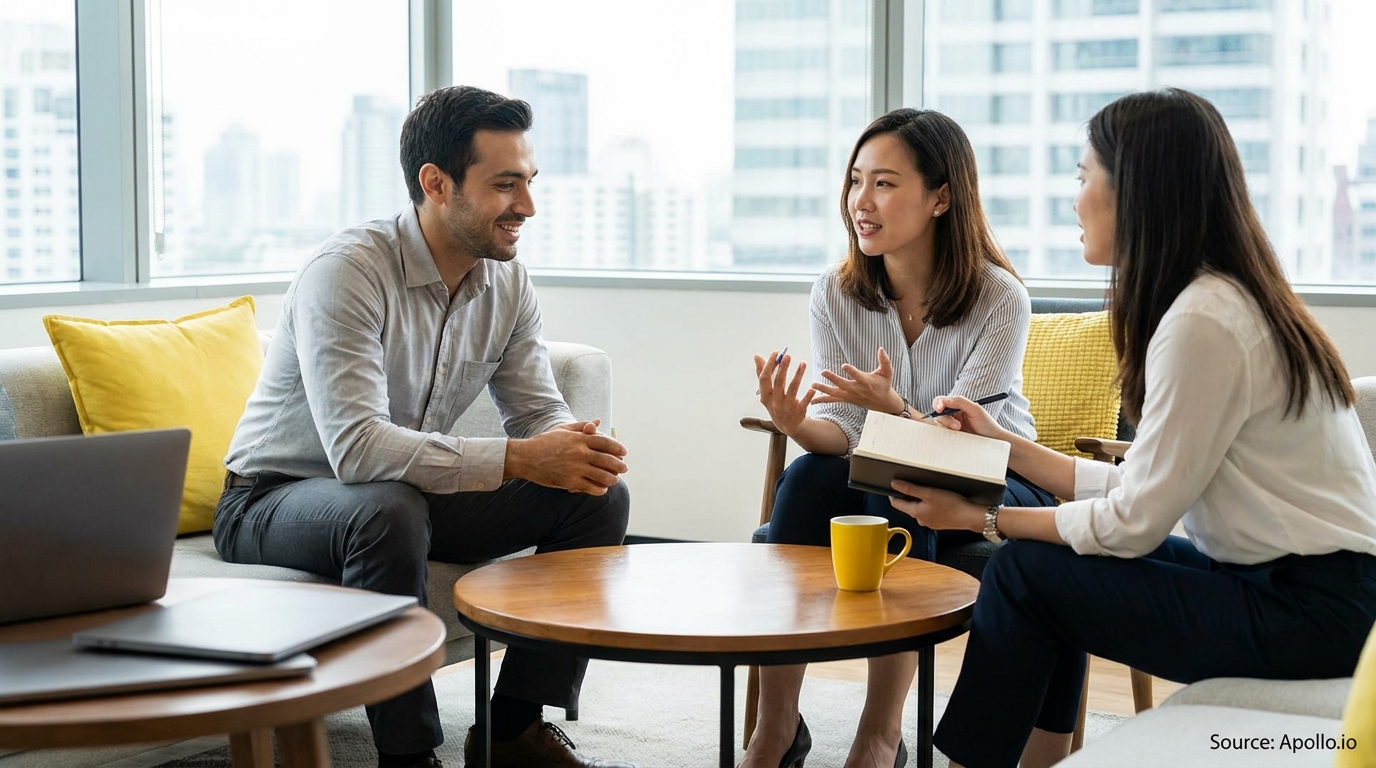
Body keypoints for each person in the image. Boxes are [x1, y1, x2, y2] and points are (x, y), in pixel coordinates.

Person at [892, 88, 1376, 768]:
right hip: (1303, 589)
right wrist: (1005, 447)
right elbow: (1142, 485)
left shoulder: (1203, 321)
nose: (1075, 198)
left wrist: (984, 518)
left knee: (1026, 570)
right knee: (1044, 567)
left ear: (1138, 192)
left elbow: (1132, 523)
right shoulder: (1219, 298)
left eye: (1084, 176)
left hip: (1310, 615)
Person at [214, 86, 636, 768]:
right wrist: (522, 458)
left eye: (528, 182)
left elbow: (535, 409)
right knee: (385, 507)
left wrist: (570, 446)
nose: (526, 206)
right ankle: (410, 757)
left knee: (596, 494)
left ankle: (513, 732)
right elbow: (356, 450)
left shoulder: (507, 282)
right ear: (436, 184)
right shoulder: (347, 272)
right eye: (504, 185)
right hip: (273, 498)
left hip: (402, 494)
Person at [745, 109, 1056, 768]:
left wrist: (896, 412)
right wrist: (796, 422)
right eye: (856, 180)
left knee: (904, 482)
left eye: (884, 183)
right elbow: (849, 435)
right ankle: (774, 730)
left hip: (995, 473)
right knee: (803, 479)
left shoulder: (999, 298)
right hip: (898, 464)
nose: (862, 201)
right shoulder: (836, 293)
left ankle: (880, 733)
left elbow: (962, 439)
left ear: (942, 197)